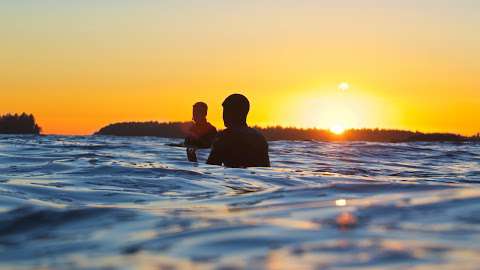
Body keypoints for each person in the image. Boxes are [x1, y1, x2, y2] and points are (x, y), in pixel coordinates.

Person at [207, 94, 270, 168]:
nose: (223, 116)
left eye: (226, 111)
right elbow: (265, 169)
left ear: (235, 113)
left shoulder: (224, 137)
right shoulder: (259, 138)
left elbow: (211, 168)